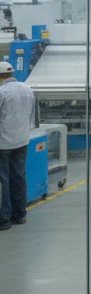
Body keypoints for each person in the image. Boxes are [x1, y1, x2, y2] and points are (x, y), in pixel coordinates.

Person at [0, 60, 38, 231]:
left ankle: (4, 220)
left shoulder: (2, 92)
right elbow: (32, 115)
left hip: (3, 143)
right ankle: (19, 215)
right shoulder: (26, 88)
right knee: (18, 177)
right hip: (22, 140)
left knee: (3, 181)